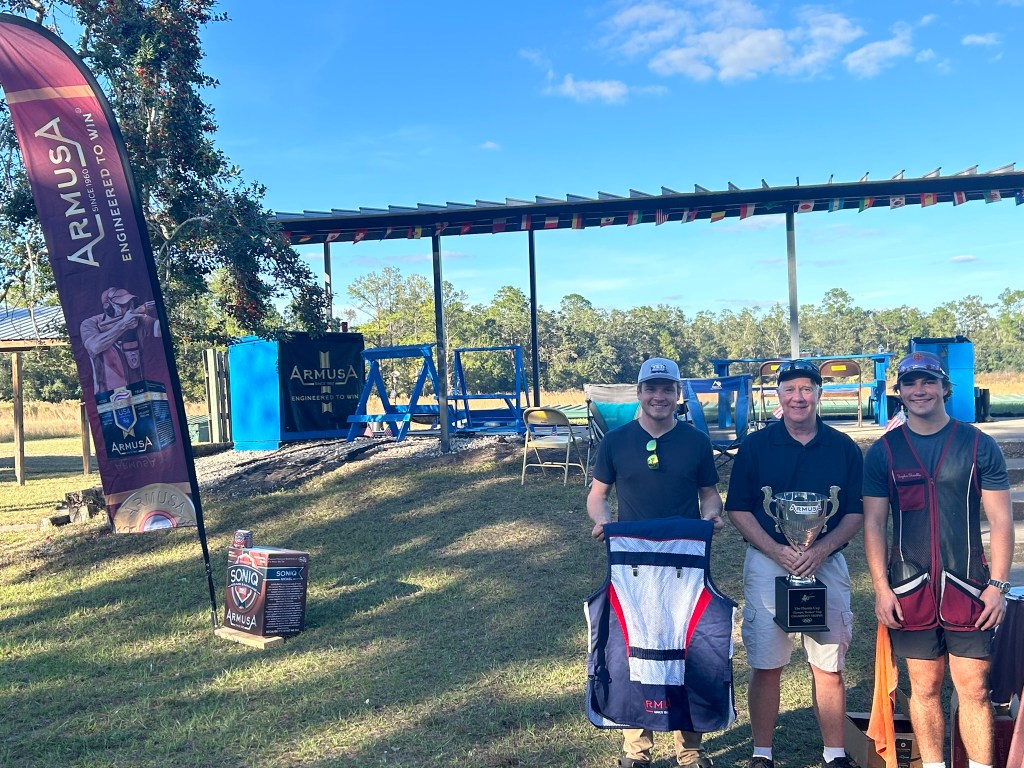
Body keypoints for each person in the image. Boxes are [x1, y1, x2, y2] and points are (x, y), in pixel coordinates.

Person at [862, 351, 1013, 768]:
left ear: (945, 387)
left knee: (974, 688)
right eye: (910, 383)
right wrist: (881, 589)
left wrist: (997, 586)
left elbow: (1001, 520)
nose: (920, 390)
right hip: (910, 590)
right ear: (899, 393)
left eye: (928, 381)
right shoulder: (884, 451)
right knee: (924, 688)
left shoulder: (978, 444)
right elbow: (873, 524)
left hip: (970, 587)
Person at [724, 359, 864, 768]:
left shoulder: (843, 447)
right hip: (769, 565)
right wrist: (776, 549)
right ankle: (762, 753)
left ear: (819, 393)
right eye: (790, 389)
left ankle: (834, 754)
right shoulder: (756, 446)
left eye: (806, 389)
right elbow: (738, 508)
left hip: (826, 564)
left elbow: (855, 512)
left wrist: (821, 549)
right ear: (778, 395)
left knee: (829, 665)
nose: (798, 397)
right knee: (767, 664)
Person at [587, 357, 724, 768]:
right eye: (651, 389)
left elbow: (710, 494)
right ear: (640, 393)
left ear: (677, 394)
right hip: (632, 565)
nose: (659, 396)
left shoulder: (696, 441)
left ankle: (690, 751)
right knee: (633, 646)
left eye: (667, 389)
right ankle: (636, 751)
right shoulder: (615, 441)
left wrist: (712, 515)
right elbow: (598, 495)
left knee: (687, 645)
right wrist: (602, 521)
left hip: (684, 563)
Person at [79, 286, 160, 393]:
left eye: (131, 303)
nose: (129, 308)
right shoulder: (90, 323)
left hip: (138, 389)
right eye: (123, 305)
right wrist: (123, 325)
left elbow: (159, 328)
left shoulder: (137, 319)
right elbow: (94, 346)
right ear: (108, 307)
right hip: (109, 394)